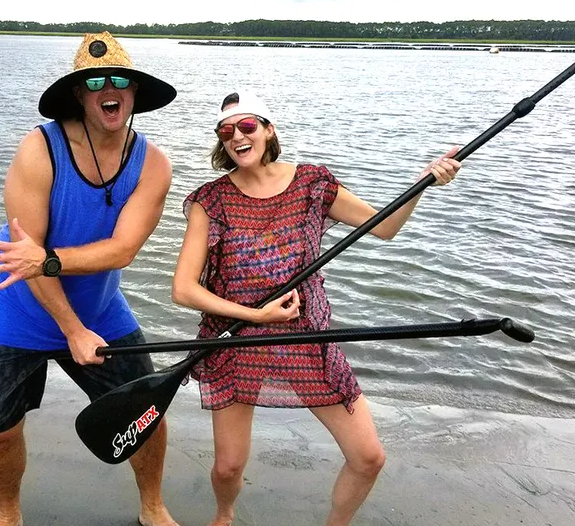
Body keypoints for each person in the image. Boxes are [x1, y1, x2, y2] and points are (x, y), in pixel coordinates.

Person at [170, 90, 461, 526]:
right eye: (226, 131)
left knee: (368, 457)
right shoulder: (210, 201)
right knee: (228, 466)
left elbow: (385, 227)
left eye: (248, 126)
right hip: (233, 338)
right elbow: (183, 289)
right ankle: (224, 515)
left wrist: (424, 183)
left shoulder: (313, 183)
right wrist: (255, 316)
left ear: (269, 131)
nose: (237, 137)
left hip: (306, 336)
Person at [0, 31, 180, 526]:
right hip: (17, 306)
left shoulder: (153, 164)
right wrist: (69, 329)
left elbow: (123, 249)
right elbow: (23, 259)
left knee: (145, 412)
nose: (109, 88)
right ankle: (8, 513)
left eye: (120, 80)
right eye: (95, 81)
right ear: (80, 95)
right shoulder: (38, 149)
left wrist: (52, 271)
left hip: (99, 309)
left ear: (133, 93)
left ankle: (152, 507)